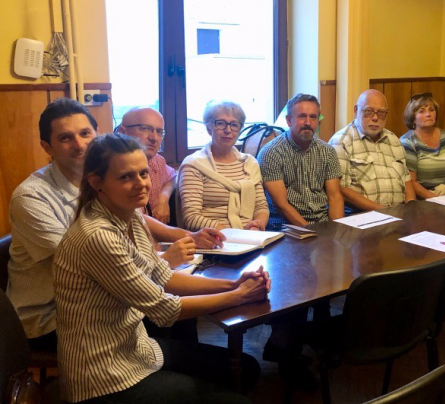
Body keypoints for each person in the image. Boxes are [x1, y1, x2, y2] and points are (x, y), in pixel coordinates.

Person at [54, 134, 268, 404]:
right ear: (97, 183)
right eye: (126, 177)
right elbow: (165, 309)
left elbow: (164, 277)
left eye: (143, 173)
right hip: (103, 375)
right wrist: (240, 296)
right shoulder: (98, 235)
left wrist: (234, 284)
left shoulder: (132, 215)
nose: (141, 183)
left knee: (247, 369)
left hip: (135, 348)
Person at [6, 98, 216, 353]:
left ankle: (179, 370)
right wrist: (160, 263)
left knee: (178, 304)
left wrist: (185, 235)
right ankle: (165, 370)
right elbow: (88, 261)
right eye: (65, 138)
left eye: (85, 134)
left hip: (104, 298)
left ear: (96, 134)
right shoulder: (31, 197)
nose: (79, 144)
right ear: (47, 147)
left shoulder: (100, 180)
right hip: (52, 318)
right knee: (165, 308)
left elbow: (137, 218)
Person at [179, 101, 270, 231]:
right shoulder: (194, 164)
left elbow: (261, 207)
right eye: (221, 123)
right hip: (213, 238)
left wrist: (255, 228)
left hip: (251, 236)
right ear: (209, 128)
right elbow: (191, 217)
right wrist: (235, 234)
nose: (228, 130)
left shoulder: (250, 163)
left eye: (234, 125)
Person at [258, 93, 344, 229]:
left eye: (313, 117)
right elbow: (281, 205)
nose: (308, 123)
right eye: (302, 116)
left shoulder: (327, 151)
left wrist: (337, 230)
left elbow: (335, 197)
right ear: (289, 120)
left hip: (322, 224)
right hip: (285, 228)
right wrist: (312, 232)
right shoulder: (271, 152)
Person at [328, 89, 416, 211]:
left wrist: (411, 207)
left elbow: (406, 180)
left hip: (399, 212)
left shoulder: (393, 139)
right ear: (356, 111)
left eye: (381, 113)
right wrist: (384, 211)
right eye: (368, 111)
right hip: (362, 215)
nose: (375, 118)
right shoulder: (341, 141)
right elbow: (342, 189)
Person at [399, 92, 445, 198]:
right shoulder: (407, 142)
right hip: (425, 199)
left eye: (431, 110)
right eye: (421, 111)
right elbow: (411, 182)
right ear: (412, 117)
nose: (428, 114)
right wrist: (438, 200)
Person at [117, 107, 175, 223]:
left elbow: (172, 177)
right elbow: (137, 220)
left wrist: (164, 198)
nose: (154, 138)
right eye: (145, 129)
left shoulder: (157, 160)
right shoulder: (114, 167)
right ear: (122, 132)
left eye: (159, 132)